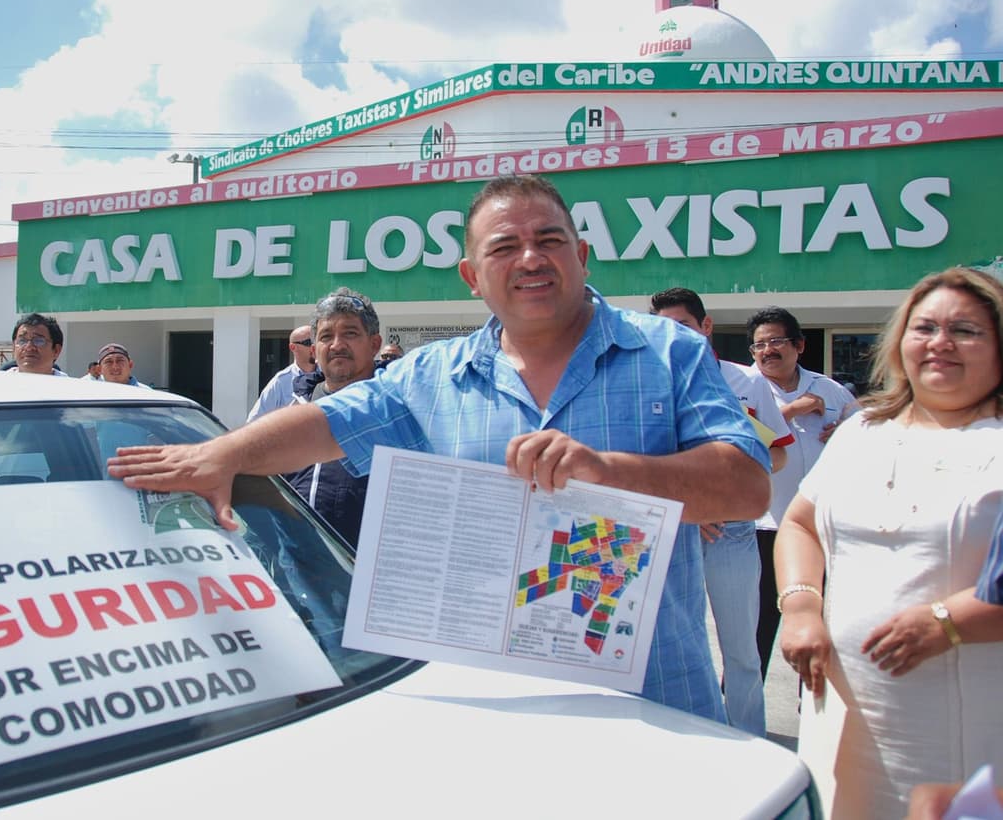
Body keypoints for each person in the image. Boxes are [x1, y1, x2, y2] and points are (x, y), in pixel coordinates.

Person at [108, 174, 771, 721]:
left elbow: (746, 484)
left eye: (550, 240)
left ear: (582, 254)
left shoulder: (667, 351)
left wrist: (606, 472)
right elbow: (324, 423)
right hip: (494, 708)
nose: (532, 258)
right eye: (505, 247)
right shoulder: (431, 376)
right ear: (471, 276)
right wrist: (224, 455)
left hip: (655, 703)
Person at [774, 267, 1003, 819]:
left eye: (965, 331)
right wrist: (802, 606)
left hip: (969, 728)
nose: (940, 343)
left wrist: (949, 620)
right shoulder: (862, 431)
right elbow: (800, 524)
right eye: (924, 328)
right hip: (844, 717)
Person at [652, 287, 793, 736]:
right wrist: (692, 502)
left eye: (685, 327)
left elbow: (779, 454)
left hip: (732, 534)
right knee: (678, 651)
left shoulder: (745, 382)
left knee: (742, 652)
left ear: (706, 326)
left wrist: (725, 489)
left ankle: (749, 741)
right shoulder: (650, 379)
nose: (675, 337)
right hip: (676, 532)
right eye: (665, 329)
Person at [746, 305, 857, 677]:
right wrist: (791, 411)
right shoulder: (743, 389)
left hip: (822, 530)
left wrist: (842, 426)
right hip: (764, 527)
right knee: (754, 632)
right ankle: (738, 717)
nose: (767, 351)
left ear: (800, 345)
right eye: (759, 344)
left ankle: (810, 710)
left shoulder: (830, 390)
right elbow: (743, 443)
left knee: (821, 628)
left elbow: (866, 432)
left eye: (776, 341)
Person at [286, 288, 381, 549]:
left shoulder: (398, 411)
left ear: (374, 344)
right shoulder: (295, 413)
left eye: (350, 333)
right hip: (298, 574)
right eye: (327, 336)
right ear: (314, 350)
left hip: (368, 577)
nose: (337, 345)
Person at [246, 325, 316, 423]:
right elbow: (254, 422)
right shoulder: (281, 382)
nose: (314, 347)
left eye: (317, 341)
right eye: (308, 343)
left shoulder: (329, 376)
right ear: (293, 347)